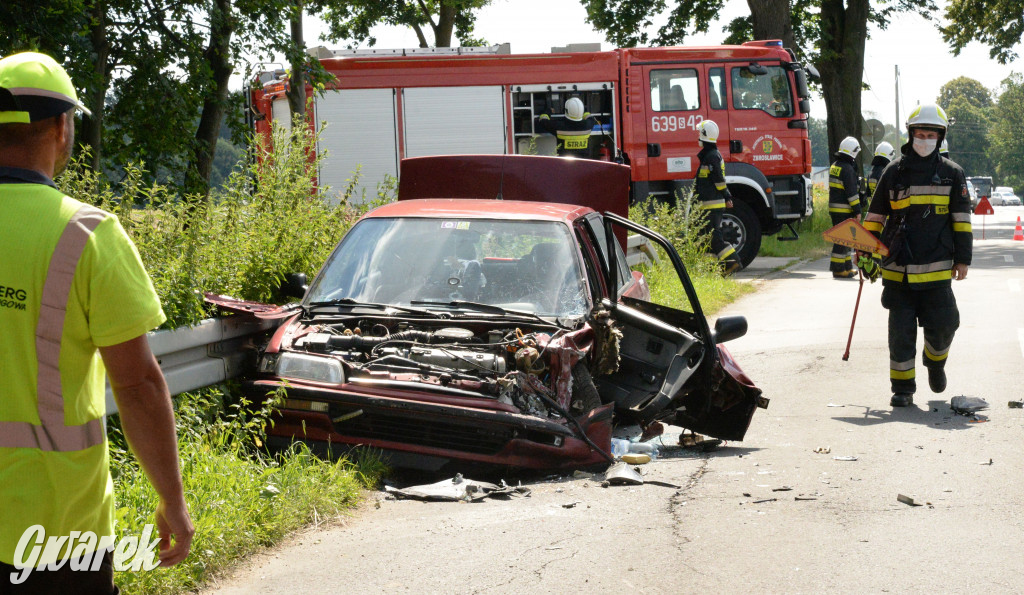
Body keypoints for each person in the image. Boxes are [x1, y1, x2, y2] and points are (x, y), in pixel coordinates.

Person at [0, 51, 194, 591]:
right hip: (58, 532)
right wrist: (172, 500)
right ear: (62, 128)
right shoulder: (87, 235)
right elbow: (137, 385)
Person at [861, 103, 972, 408]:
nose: (925, 140)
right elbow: (875, 217)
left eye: (931, 135)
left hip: (937, 268)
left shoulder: (952, 174)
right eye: (920, 134)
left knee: (946, 324)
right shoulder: (893, 172)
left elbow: (961, 221)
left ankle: (935, 362)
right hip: (899, 270)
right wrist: (865, 251)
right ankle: (902, 388)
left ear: (940, 137)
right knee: (900, 334)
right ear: (911, 135)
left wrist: (963, 259)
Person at [694, 120, 742, 274]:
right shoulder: (709, 155)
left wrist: (727, 196)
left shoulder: (712, 156)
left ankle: (733, 262)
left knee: (714, 238)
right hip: (708, 204)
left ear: (704, 135)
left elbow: (718, 180)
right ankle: (711, 270)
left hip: (712, 205)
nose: (697, 136)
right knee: (706, 238)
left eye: (699, 133)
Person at [828, 136, 863, 278]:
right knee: (842, 240)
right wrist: (858, 210)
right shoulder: (847, 169)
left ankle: (847, 267)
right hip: (844, 210)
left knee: (846, 239)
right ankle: (838, 269)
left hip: (835, 209)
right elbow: (852, 193)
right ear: (853, 152)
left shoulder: (835, 165)